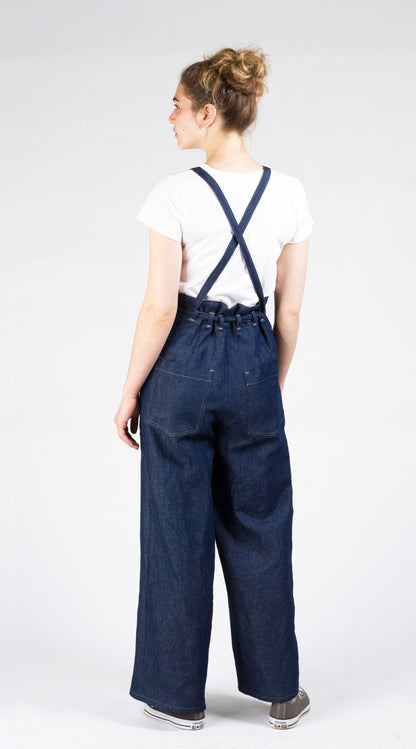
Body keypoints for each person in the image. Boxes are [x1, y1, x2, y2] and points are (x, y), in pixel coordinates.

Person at [114, 46, 313, 732]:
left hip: (183, 362)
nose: (169, 117)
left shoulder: (172, 194)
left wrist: (130, 391)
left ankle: (176, 697)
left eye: (176, 105)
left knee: (176, 531)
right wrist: (265, 385)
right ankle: (280, 691)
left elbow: (158, 307)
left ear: (207, 112)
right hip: (255, 358)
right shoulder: (290, 194)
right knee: (263, 526)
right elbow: (290, 312)